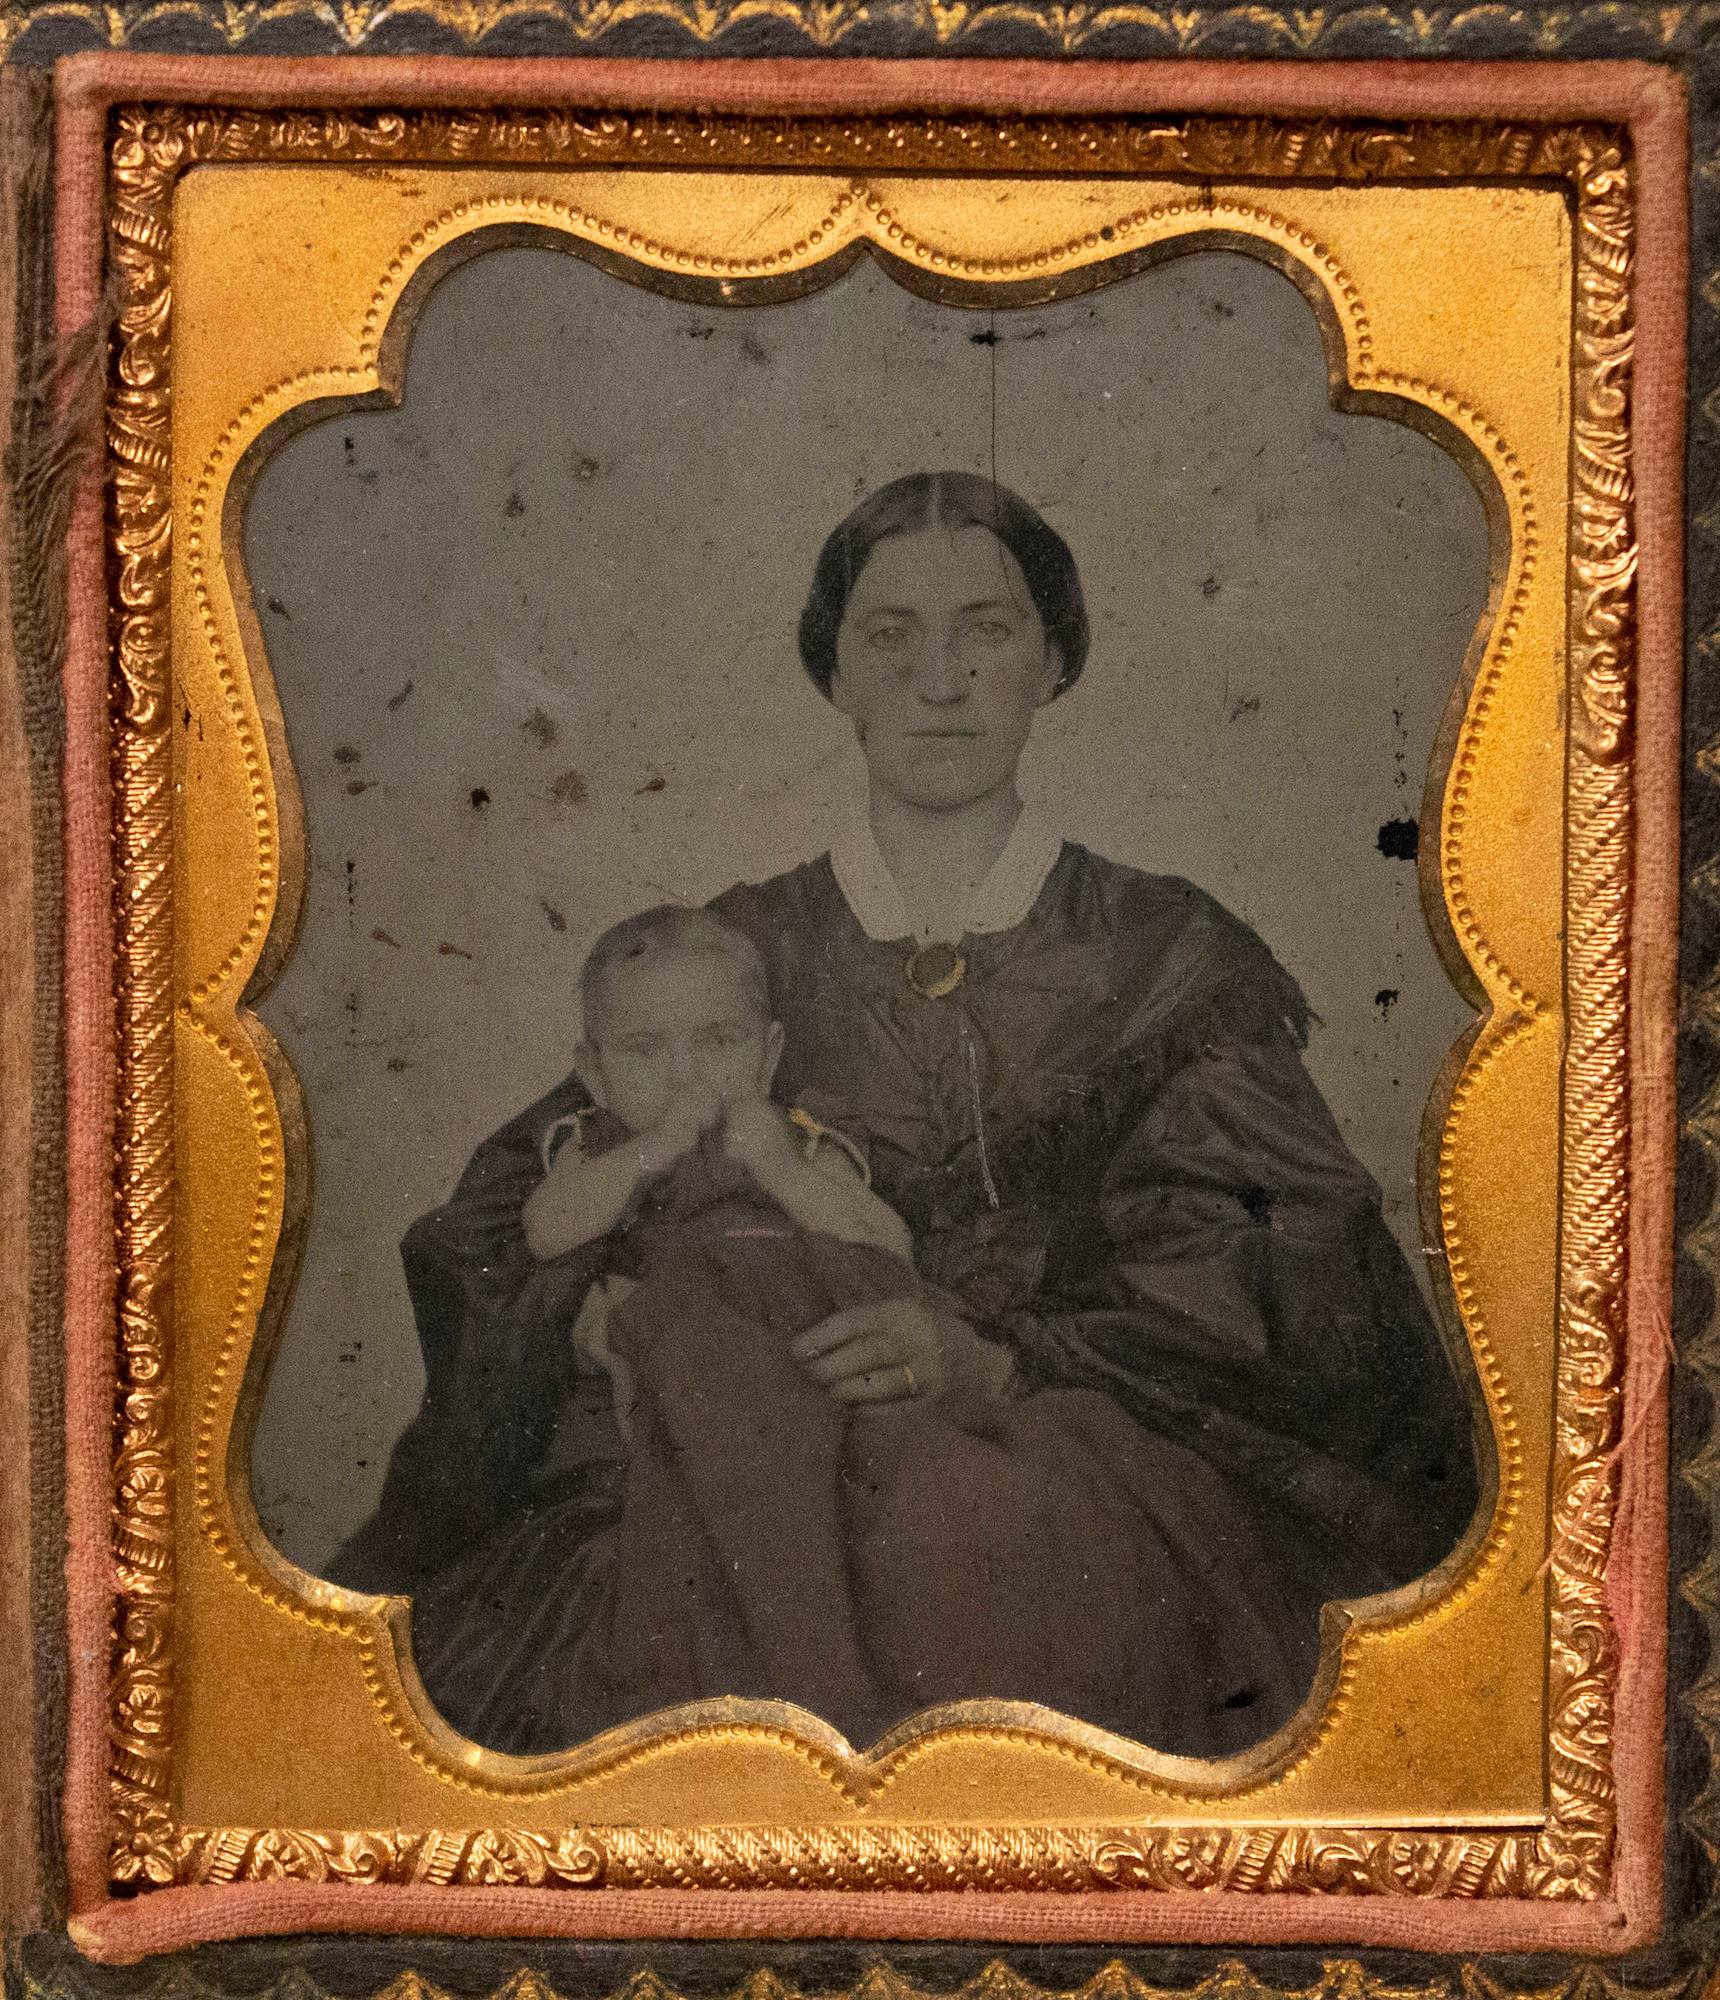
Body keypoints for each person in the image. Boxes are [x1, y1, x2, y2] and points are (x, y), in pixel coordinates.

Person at [328, 469, 1481, 1760]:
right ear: (834, 672)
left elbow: (1271, 1272)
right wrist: (590, 1315)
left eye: (986, 629)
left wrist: (995, 1358)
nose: (940, 681)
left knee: (1016, 1579)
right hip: (758, 1444)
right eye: (890, 636)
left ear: (1054, 660)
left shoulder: (1164, 955)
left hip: (1075, 1448)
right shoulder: (728, 957)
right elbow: (509, 1214)